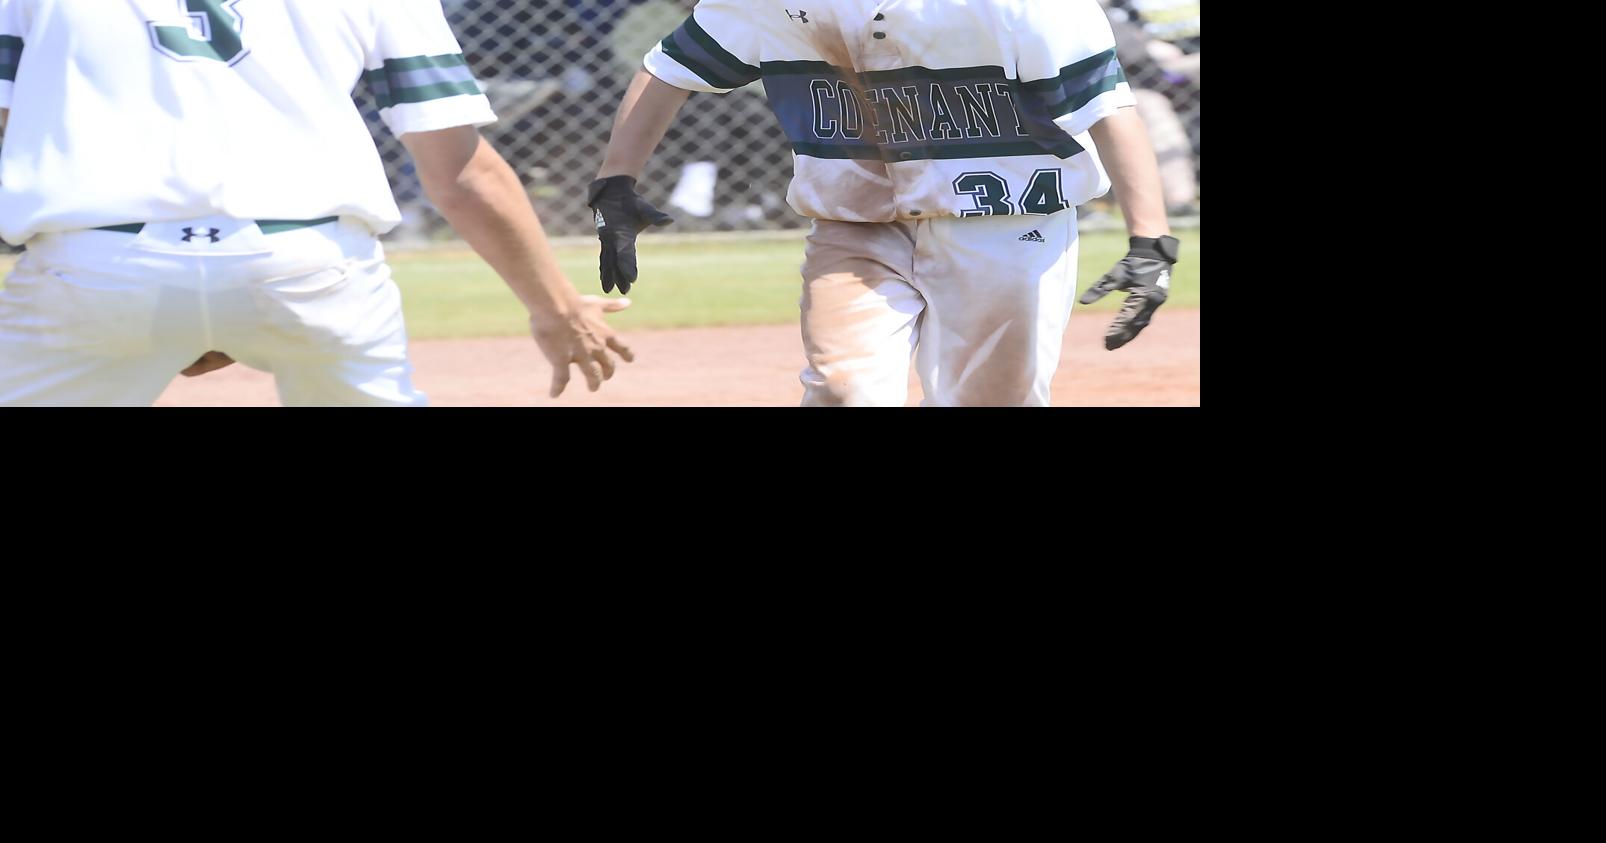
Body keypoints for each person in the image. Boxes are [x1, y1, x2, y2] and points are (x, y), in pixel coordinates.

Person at [0, 0, 631, 407]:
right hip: (309, 263)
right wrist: (556, 308)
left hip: (94, 261)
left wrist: (170, 304)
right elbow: (462, 173)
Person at [589, 0, 1179, 407]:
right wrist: (615, 184)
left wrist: (1150, 240)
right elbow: (671, 68)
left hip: (1007, 228)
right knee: (845, 390)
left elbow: (1108, 110)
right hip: (855, 226)